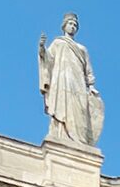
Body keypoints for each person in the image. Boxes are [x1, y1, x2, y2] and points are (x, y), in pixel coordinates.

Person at [38, 13, 103, 146]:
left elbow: (88, 70)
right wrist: (42, 48)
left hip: (78, 83)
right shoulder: (58, 43)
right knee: (62, 105)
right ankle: (60, 133)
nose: (73, 27)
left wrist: (91, 86)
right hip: (61, 80)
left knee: (80, 109)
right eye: (70, 24)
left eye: (75, 25)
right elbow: (48, 59)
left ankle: (80, 139)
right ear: (64, 26)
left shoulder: (82, 49)